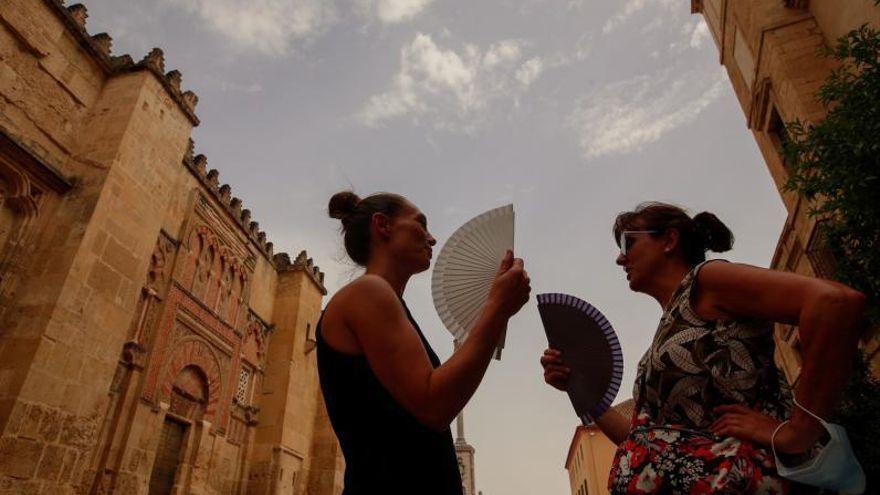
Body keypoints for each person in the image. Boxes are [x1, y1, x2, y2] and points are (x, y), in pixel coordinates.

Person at [540, 202, 867, 494]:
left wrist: (799, 429)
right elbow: (642, 441)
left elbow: (834, 303)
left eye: (629, 242)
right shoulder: (670, 327)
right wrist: (579, 389)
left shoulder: (707, 280)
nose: (620, 257)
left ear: (669, 240)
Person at [319, 191, 530, 495]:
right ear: (383, 225)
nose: (431, 239)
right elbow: (435, 404)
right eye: (421, 224)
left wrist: (497, 310)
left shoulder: (389, 305)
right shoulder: (368, 292)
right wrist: (497, 309)